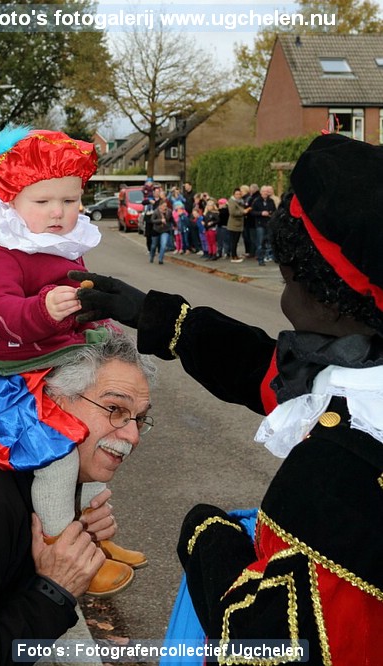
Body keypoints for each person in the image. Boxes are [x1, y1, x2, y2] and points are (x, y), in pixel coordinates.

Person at [72, 133, 383, 664]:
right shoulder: (360, 362)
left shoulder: (337, 469)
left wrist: (206, 538)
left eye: (287, 278)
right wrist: (156, 316)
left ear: (326, 296)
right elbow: (265, 371)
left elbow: (264, 641)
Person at [0, 124, 144, 597]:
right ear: (11, 201)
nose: (59, 213)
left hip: (53, 361)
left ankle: (91, 539)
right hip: (7, 374)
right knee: (58, 456)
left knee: (95, 440)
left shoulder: (56, 240)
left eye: (71, 200)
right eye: (43, 202)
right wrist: (41, 310)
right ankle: (63, 545)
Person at [0, 333, 156, 665]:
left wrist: (70, 524)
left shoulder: (18, 462)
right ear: (52, 398)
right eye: (114, 409)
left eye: (139, 418)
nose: (133, 435)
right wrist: (56, 588)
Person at [149, 200, 173, 264]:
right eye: (163, 206)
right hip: (156, 230)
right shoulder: (156, 211)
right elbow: (152, 220)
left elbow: (171, 219)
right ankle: (152, 256)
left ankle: (160, 259)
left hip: (165, 230)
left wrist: (174, 225)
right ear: (160, 206)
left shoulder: (169, 211)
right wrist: (160, 220)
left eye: (166, 206)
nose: (165, 207)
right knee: (154, 246)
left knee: (163, 245)